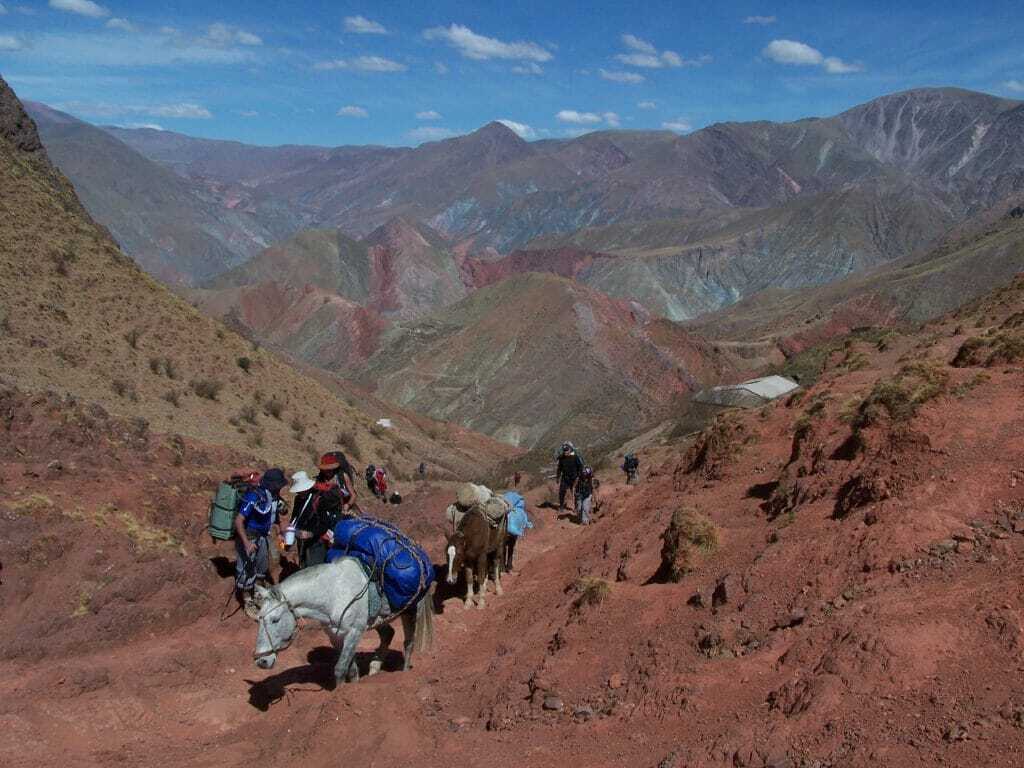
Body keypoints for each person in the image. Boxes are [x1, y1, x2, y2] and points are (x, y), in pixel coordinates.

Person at [234, 467, 287, 618]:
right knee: (246, 569)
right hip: (249, 536)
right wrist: (246, 543)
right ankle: (248, 601)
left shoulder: (273, 497)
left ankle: (258, 595)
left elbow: (275, 517)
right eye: (279, 485)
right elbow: (239, 521)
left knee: (261, 567)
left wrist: (281, 534)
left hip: (262, 537)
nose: (281, 488)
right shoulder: (254, 496)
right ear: (272, 484)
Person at [504, 490, 532, 572]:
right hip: (513, 533)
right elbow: (524, 521)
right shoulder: (520, 512)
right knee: (511, 547)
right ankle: (509, 566)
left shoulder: (508, 510)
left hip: (505, 532)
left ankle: (502, 566)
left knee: (503, 547)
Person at [556, 442, 584, 513]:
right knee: (561, 492)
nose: (565, 452)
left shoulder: (575, 457)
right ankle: (561, 506)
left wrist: (579, 476)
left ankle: (576, 507)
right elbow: (559, 468)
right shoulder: (562, 458)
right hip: (565, 478)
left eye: (567, 450)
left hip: (574, 478)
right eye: (564, 451)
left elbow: (580, 467)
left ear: (570, 450)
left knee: (575, 493)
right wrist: (558, 477)